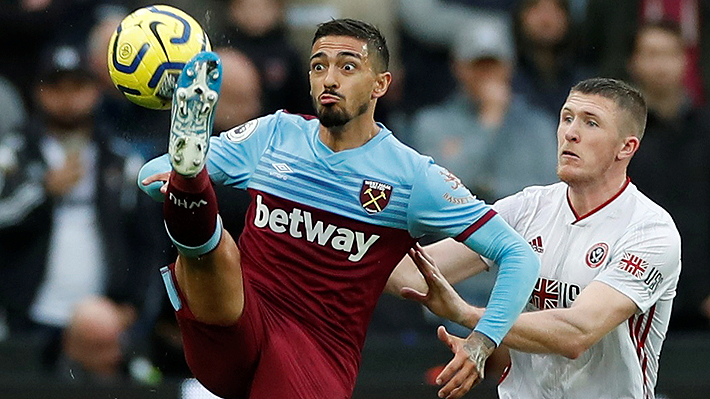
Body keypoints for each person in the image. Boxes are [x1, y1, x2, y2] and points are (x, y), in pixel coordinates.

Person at [138, 18, 540, 399]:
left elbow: (519, 255)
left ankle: (190, 178)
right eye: (318, 66)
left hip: (315, 351)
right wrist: (171, 179)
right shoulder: (276, 134)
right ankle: (190, 174)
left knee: (211, 237)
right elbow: (149, 174)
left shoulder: (412, 176)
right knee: (216, 249)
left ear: (381, 84)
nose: (329, 78)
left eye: (348, 66)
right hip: (237, 322)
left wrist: (482, 342)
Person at [387, 77, 681, 399]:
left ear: (626, 147)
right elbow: (413, 274)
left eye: (591, 122)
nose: (570, 132)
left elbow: (577, 333)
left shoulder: (650, 230)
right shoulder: (526, 208)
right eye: (567, 118)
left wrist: (471, 318)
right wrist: (338, 233)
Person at [627, 20, 710, 331]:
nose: (660, 63)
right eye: (650, 53)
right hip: (634, 299)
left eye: (668, 53)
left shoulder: (705, 130)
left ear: (685, 60)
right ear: (633, 63)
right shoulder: (618, 138)